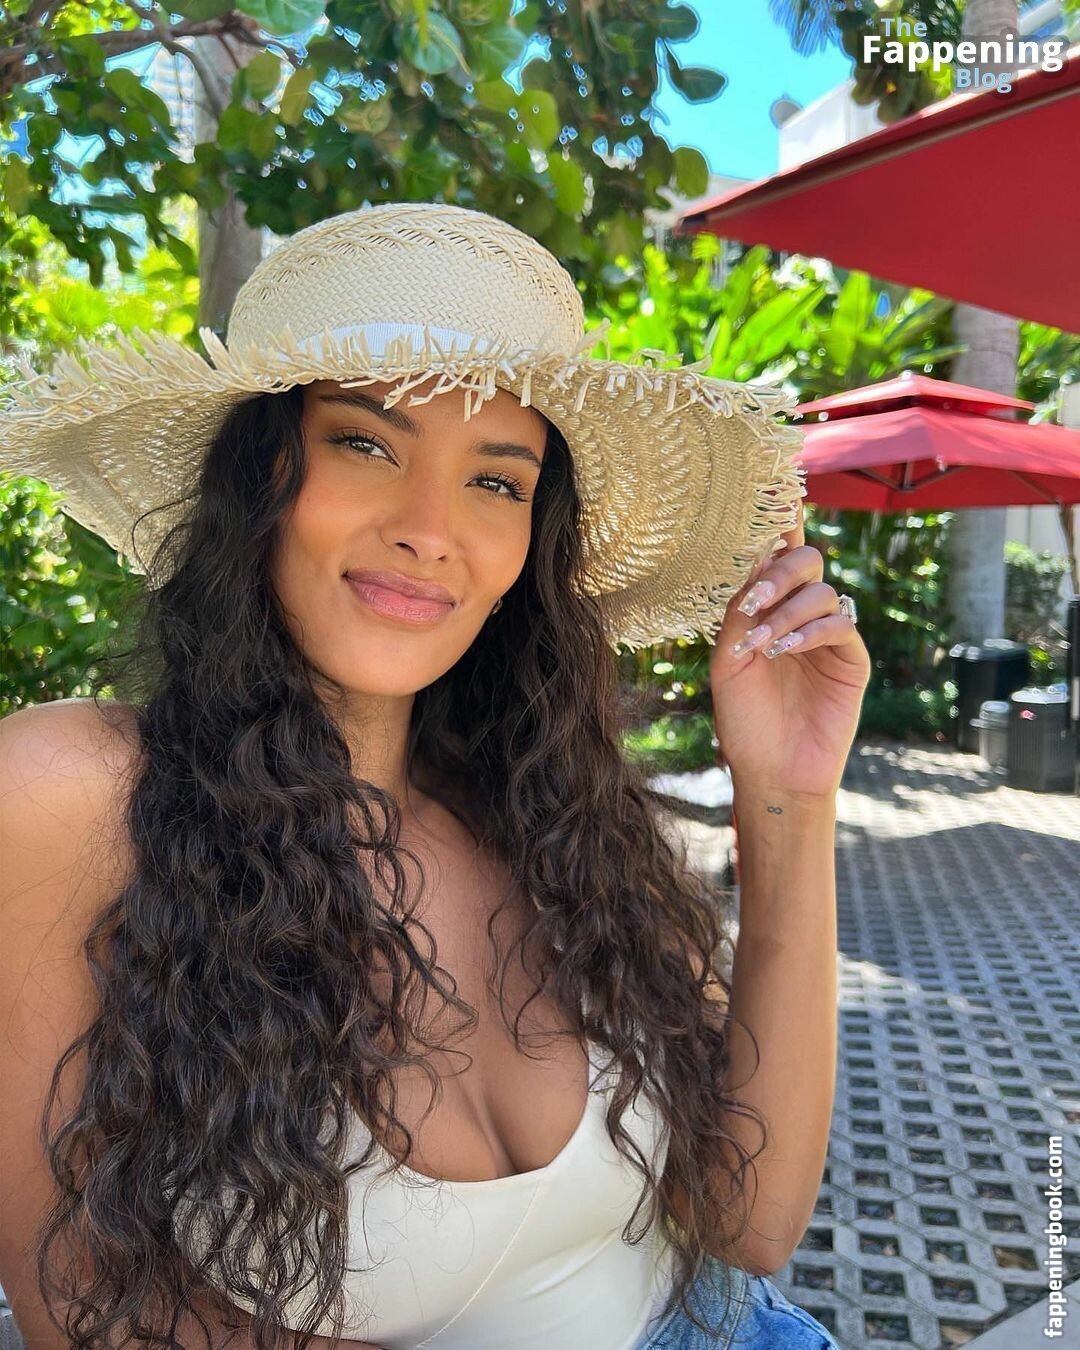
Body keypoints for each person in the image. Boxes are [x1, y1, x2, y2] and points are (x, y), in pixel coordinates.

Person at [0, 202, 870, 1350]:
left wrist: (792, 794)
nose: (429, 528)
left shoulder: (559, 821)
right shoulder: (72, 795)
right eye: (365, 444)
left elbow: (747, 1225)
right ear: (260, 475)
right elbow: (86, 1307)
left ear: (530, 545)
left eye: (497, 483)